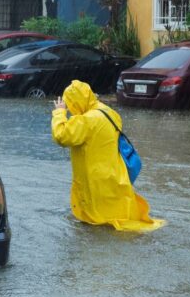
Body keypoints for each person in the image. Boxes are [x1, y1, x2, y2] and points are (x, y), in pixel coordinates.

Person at [51, 80, 164, 232]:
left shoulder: (87, 120)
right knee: (114, 213)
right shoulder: (108, 112)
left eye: (71, 105)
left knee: (97, 221)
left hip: (95, 178)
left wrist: (59, 113)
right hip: (114, 172)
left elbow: (61, 136)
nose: (71, 110)